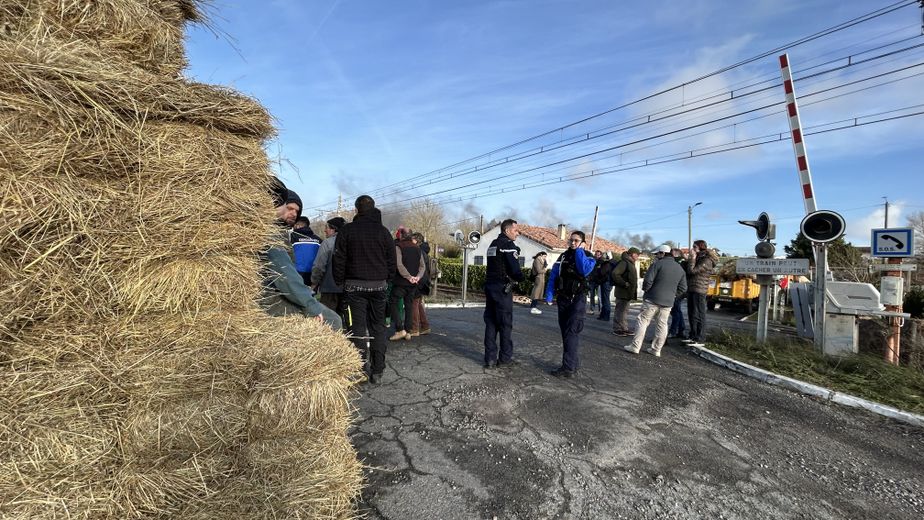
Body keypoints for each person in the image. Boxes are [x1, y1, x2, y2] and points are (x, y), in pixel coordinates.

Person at [333, 195, 397, 385]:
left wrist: (339, 281)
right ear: (374, 208)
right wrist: (388, 280)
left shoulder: (347, 231)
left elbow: (339, 258)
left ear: (356, 210)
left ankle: (360, 369)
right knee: (378, 328)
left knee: (356, 328)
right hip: (379, 287)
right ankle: (377, 370)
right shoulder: (384, 232)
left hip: (353, 288)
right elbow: (391, 260)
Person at [261, 179, 341, 330]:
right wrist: (310, 304)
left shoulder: (285, 235)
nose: (293, 213)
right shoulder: (270, 234)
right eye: (289, 208)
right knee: (333, 320)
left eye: (297, 211)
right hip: (276, 293)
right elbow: (284, 273)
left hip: (300, 283)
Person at [545, 231, 596, 378]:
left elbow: (584, 269)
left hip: (577, 300)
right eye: (571, 240)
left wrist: (580, 251)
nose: (572, 243)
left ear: (582, 243)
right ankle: (573, 363)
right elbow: (554, 275)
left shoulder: (588, 256)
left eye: (576, 240)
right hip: (563, 299)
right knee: (565, 333)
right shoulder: (563, 256)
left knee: (571, 332)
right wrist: (549, 294)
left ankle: (568, 368)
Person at [624, 245, 687, 357]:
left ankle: (635, 346)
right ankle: (656, 349)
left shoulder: (657, 265)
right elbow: (683, 288)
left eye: (657, 254)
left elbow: (648, 281)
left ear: (662, 253)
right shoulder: (679, 268)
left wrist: (646, 290)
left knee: (642, 321)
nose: (656, 256)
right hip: (668, 302)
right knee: (662, 325)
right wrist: (673, 295)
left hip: (652, 299)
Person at [483, 219, 524, 369]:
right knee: (505, 324)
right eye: (515, 231)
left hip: (490, 287)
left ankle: (490, 359)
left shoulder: (492, 245)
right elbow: (515, 270)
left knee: (491, 323)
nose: (517, 234)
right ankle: (505, 359)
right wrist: (521, 278)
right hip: (502, 289)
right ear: (507, 231)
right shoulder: (508, 245)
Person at [389, 228, 425, 341]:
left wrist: (408, 277)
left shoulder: (398, 247)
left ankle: (400, 329)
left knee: (392, 302)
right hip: (413, 283)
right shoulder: (417, 248)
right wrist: (417, 277)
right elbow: (422, 266)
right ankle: (408, 331)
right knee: (408, 305)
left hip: (401, 282)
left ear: (401, 236)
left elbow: (399, 265)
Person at [684, 239, 718, 348]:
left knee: (700, 314)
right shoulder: (699, 258)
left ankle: (701, 337)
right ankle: (693, 335)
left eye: (694, 247)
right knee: (692, 313)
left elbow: (692, 271)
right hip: (692, 288)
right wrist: (689, 259)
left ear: (700, 247)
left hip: (700, 290)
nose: (692, 249)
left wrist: (692, 258)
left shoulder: (707, 260)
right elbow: (688, 270)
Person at [310, 216, 347, 316]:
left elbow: (319, 265)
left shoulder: (327, 243)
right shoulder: (350, 241)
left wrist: (314, 282)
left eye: (327, 227)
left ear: (333, 229)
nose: (325, 230)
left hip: (329, 287)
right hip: (348, 288)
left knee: (328, 318)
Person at [611, 247, 641, 336]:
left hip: (627, 293)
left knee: (624, 311)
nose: (638, 256)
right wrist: (624, 283)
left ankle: (624, 328)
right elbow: (615, 273)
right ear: (633, 254)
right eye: (637, 254)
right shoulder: (624, 262)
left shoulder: (630, 263)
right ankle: (617, 329)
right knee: (620, 311)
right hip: (622, 292)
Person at [409, 232, 432, 336]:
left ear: (417, 241)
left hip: (418, 280)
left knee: (414, 304)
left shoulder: (418, 251)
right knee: (418, 304)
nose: (410, 241)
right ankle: (425, 326)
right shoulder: (424, 251)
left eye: (412, 239)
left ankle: (415, 329)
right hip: (424, 280)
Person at [291, 214, 322, 286]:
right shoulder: (318, 239)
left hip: (296, 273)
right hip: (313, 274)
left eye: (294, 224)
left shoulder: (292, 236)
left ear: (298, 225)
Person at [667, 247, 688, 338]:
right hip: (682, 289)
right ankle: (681, 330)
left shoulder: (677, 262)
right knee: (677, 311)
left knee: (675, 311)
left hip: (676, 289)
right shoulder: (685, 261)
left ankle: (673, 331)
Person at [596, 251, 615, 321]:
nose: (602, 257)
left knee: (606, 300)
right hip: (606, 283)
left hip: (606, 283)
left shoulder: (608, 264)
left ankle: (606, 316)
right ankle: (603, 315)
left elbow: (602, 272)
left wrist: (598, 268)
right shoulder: (610, 263)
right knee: (604, 300)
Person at [586, 250, 603, 315]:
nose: (596, 256)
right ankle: (592, 309)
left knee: (599, 297)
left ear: (601, 255)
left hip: (598, 282)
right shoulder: (592, 261)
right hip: (592, 281)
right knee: (592, 296)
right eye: (596, 254)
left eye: (598, 255)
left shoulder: (602, 262)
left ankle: (600, 310)